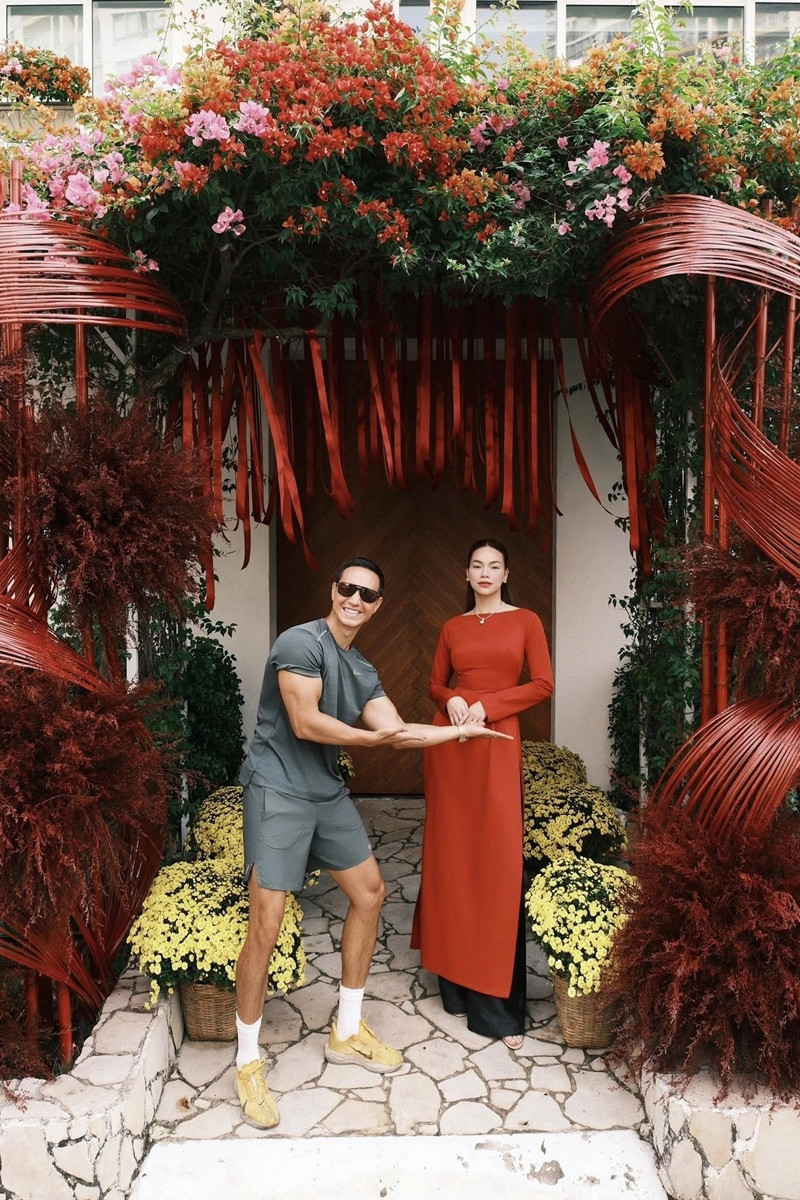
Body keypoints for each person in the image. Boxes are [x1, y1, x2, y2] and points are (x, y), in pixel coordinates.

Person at [234, 556, 511, 1129]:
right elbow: (306, 722)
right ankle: (247, 1061)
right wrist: (370, 740)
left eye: (367, 594)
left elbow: (399, 732)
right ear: (333, 590)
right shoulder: (300, 643)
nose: (355, 599)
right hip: (278, 790)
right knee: (267, 920)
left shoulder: (361, 668)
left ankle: (347, 1029)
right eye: (348, 588)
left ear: (377, 606)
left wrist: (461, 732)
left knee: (370, 892)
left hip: (324, 792)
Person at [411, 538, 554, 1048]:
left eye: (495, 565)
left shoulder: (527, 621)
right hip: (451, 745)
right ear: (467, 574)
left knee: (495, 860)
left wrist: (488, 706)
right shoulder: (453, 627)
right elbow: (435, 683)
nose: (486, 572)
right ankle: (454, 984)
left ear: (506, 574)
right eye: (477, 565)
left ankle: (496, 1007)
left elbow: (543, 684)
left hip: (496, 740)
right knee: (451, 855)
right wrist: (451, 699)